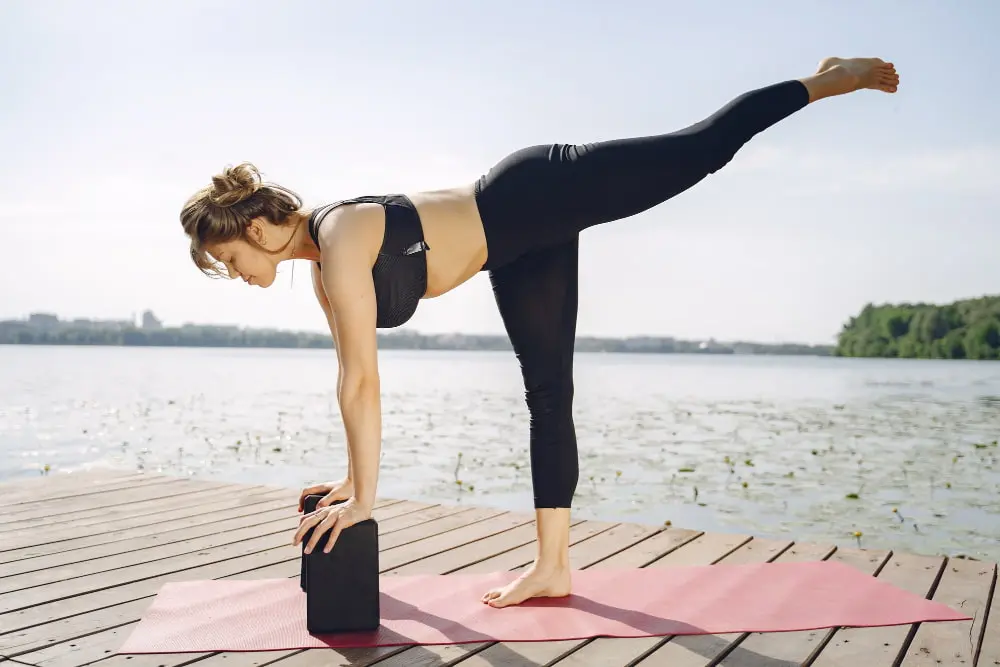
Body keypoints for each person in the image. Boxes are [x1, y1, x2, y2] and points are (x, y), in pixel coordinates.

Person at [179, 57, 899, 608]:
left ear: (253, 229)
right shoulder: (322, 269)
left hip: (533, 191)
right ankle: (553, 566)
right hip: (517, 250)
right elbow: (350, 380)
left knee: (701, 149)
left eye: (229, 258)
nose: (235, 272)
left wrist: (368, 501)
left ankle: (828, 79)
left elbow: (366, 380)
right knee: (549, 396)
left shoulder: (338, 241)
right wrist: (351, 482)